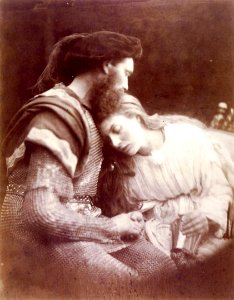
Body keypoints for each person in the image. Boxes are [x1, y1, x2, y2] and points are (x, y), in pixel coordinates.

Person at [0, 31, 176, 298]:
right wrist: (112, 227)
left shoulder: (91, 107)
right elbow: (41, 213)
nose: (127, 85)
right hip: (34, 233)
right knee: (126, 288)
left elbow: (154, 131)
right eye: (126, 73)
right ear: (107, 65)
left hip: (76, 222)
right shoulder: (57, 115)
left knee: (161, 268)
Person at [94, 92, 233, 263]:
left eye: (117, 130)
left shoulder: (188, 138)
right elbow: (129, 214)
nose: (116, 143)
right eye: (109, 140)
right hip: (158, 240)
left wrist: (207, 217)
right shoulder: (123, 173)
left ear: (135, 117)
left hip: (205, 232)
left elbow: (220, 190)